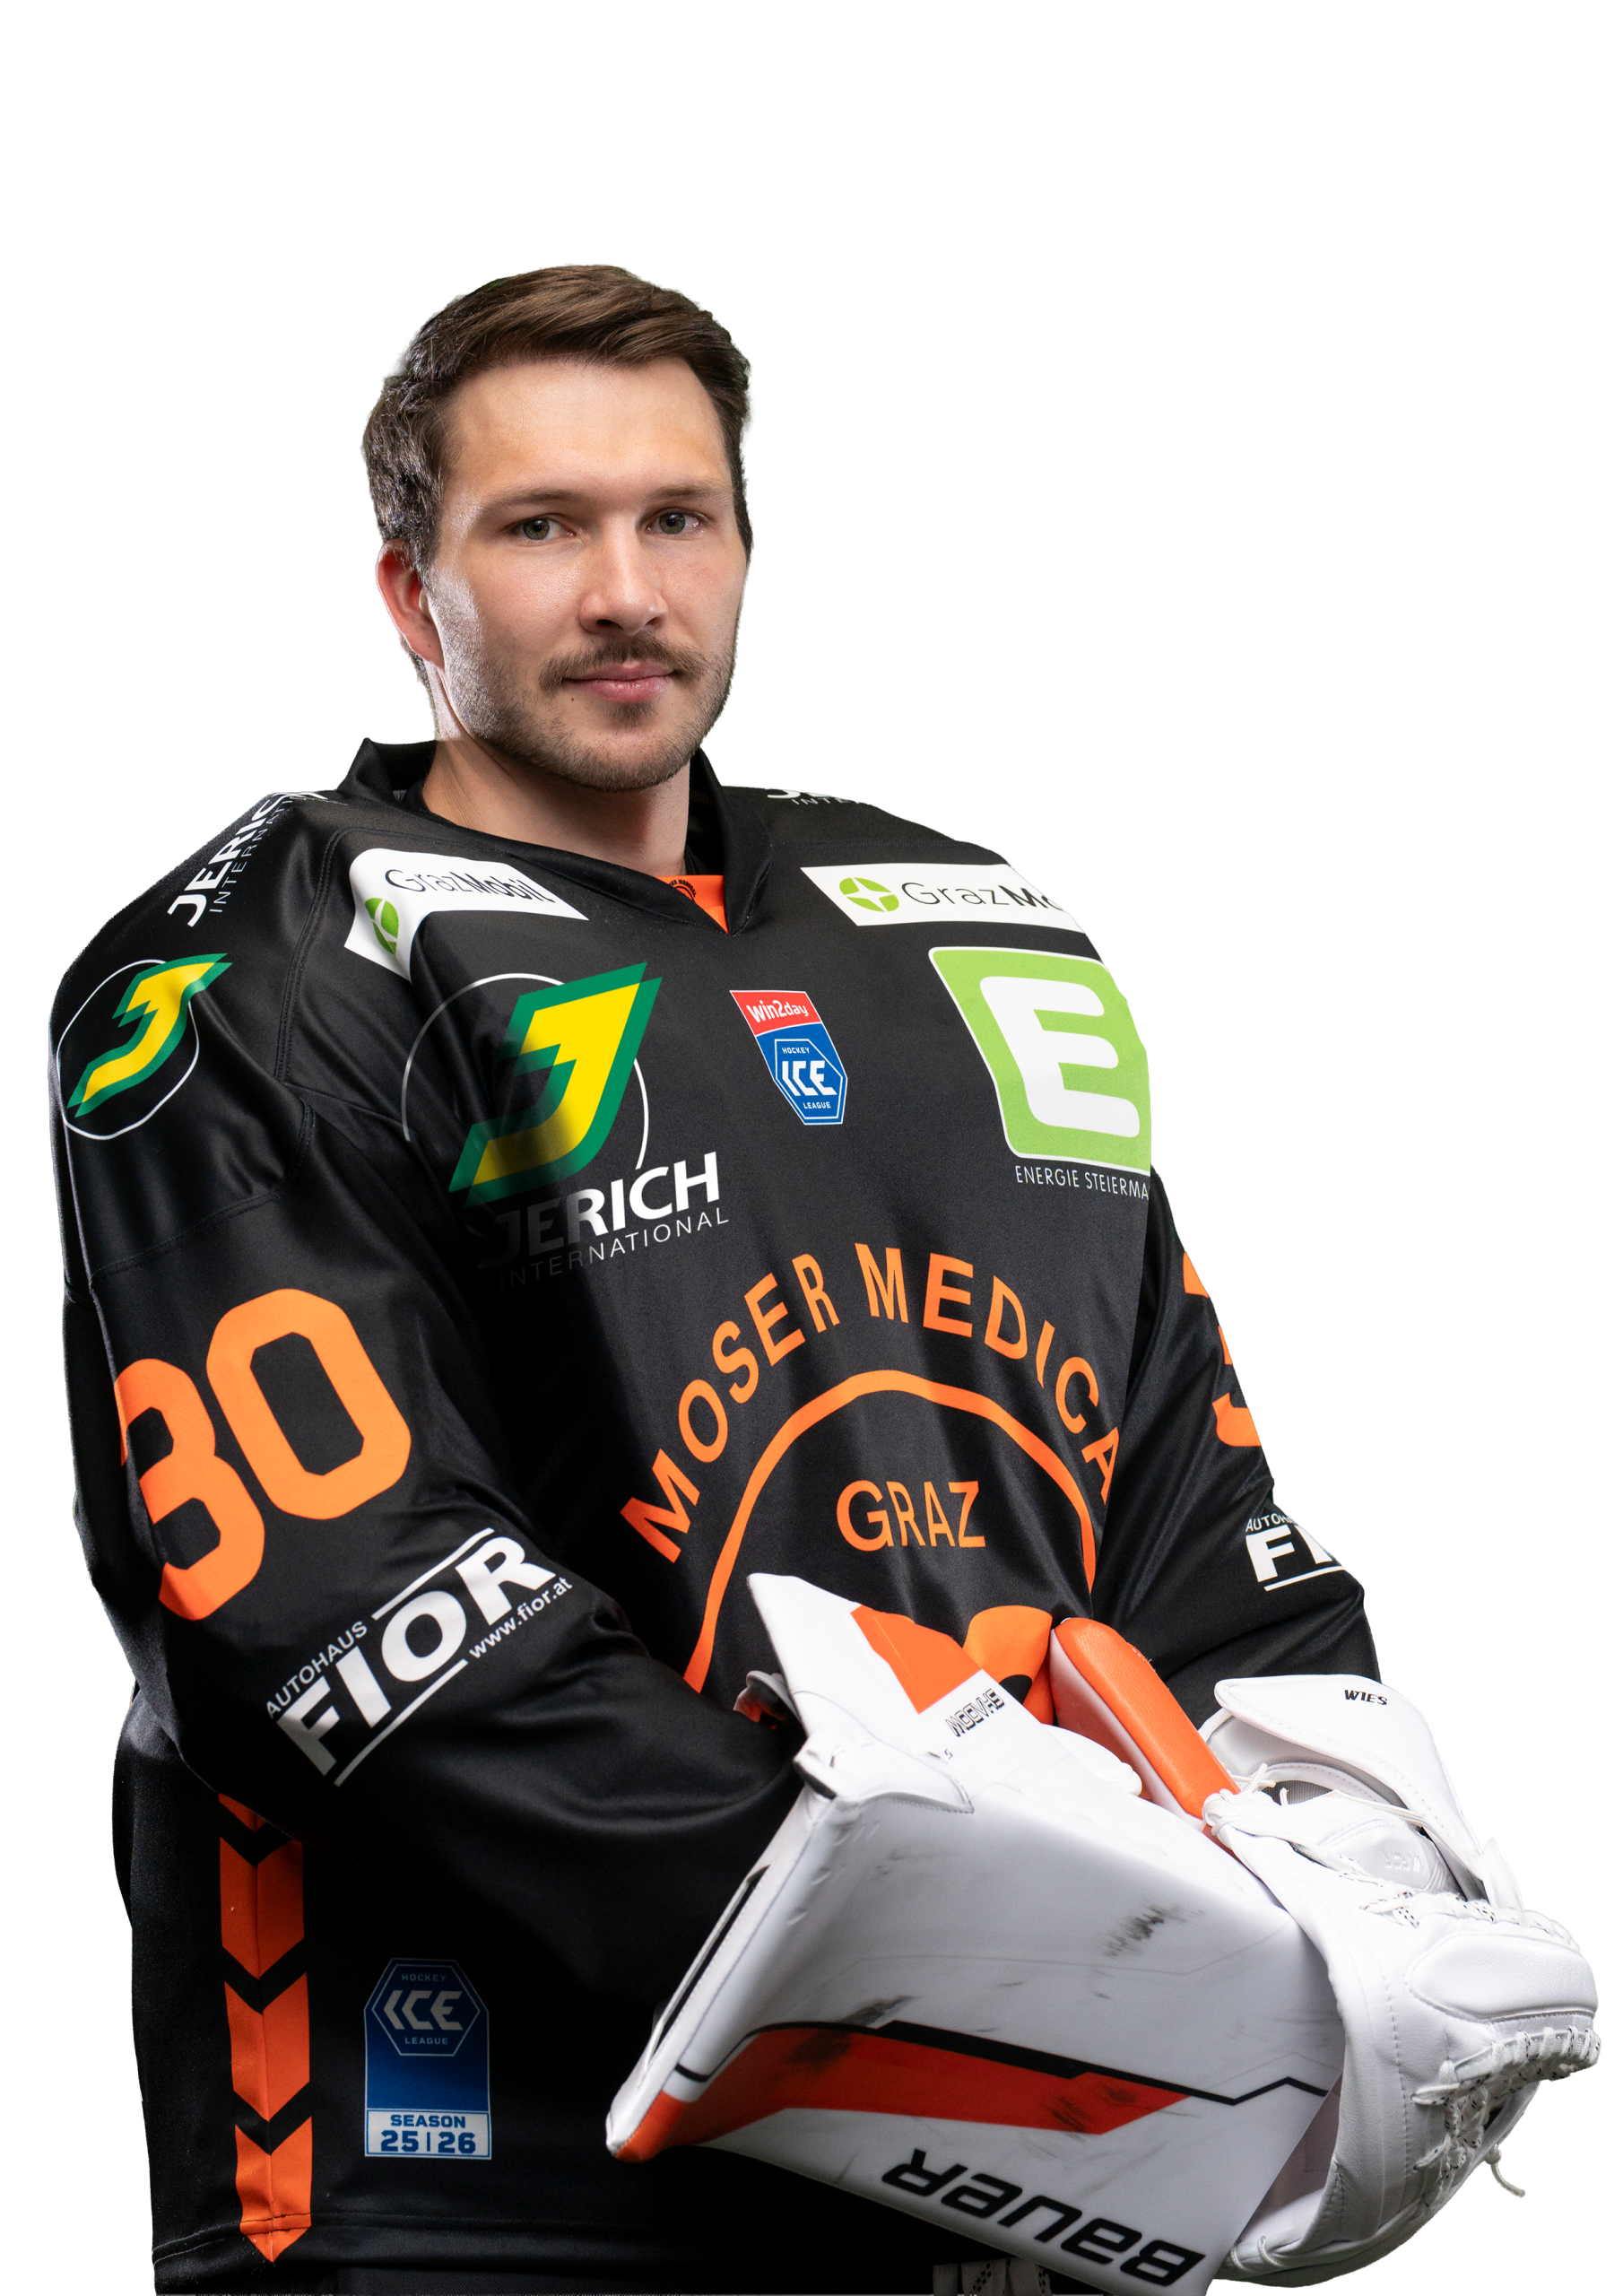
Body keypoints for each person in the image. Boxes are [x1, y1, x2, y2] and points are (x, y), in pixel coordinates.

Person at [50, 263, 1375, 2294]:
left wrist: (1337, 1857)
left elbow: (1182, 1480)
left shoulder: (979, 924)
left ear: (744, 546)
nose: (624, 592)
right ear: (410, 591)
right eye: (540, 526)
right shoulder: (258, 964)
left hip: (1004, 2152)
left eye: (677, 517)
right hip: (470, 2183)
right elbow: (319, 1594)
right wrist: (950, 1940)